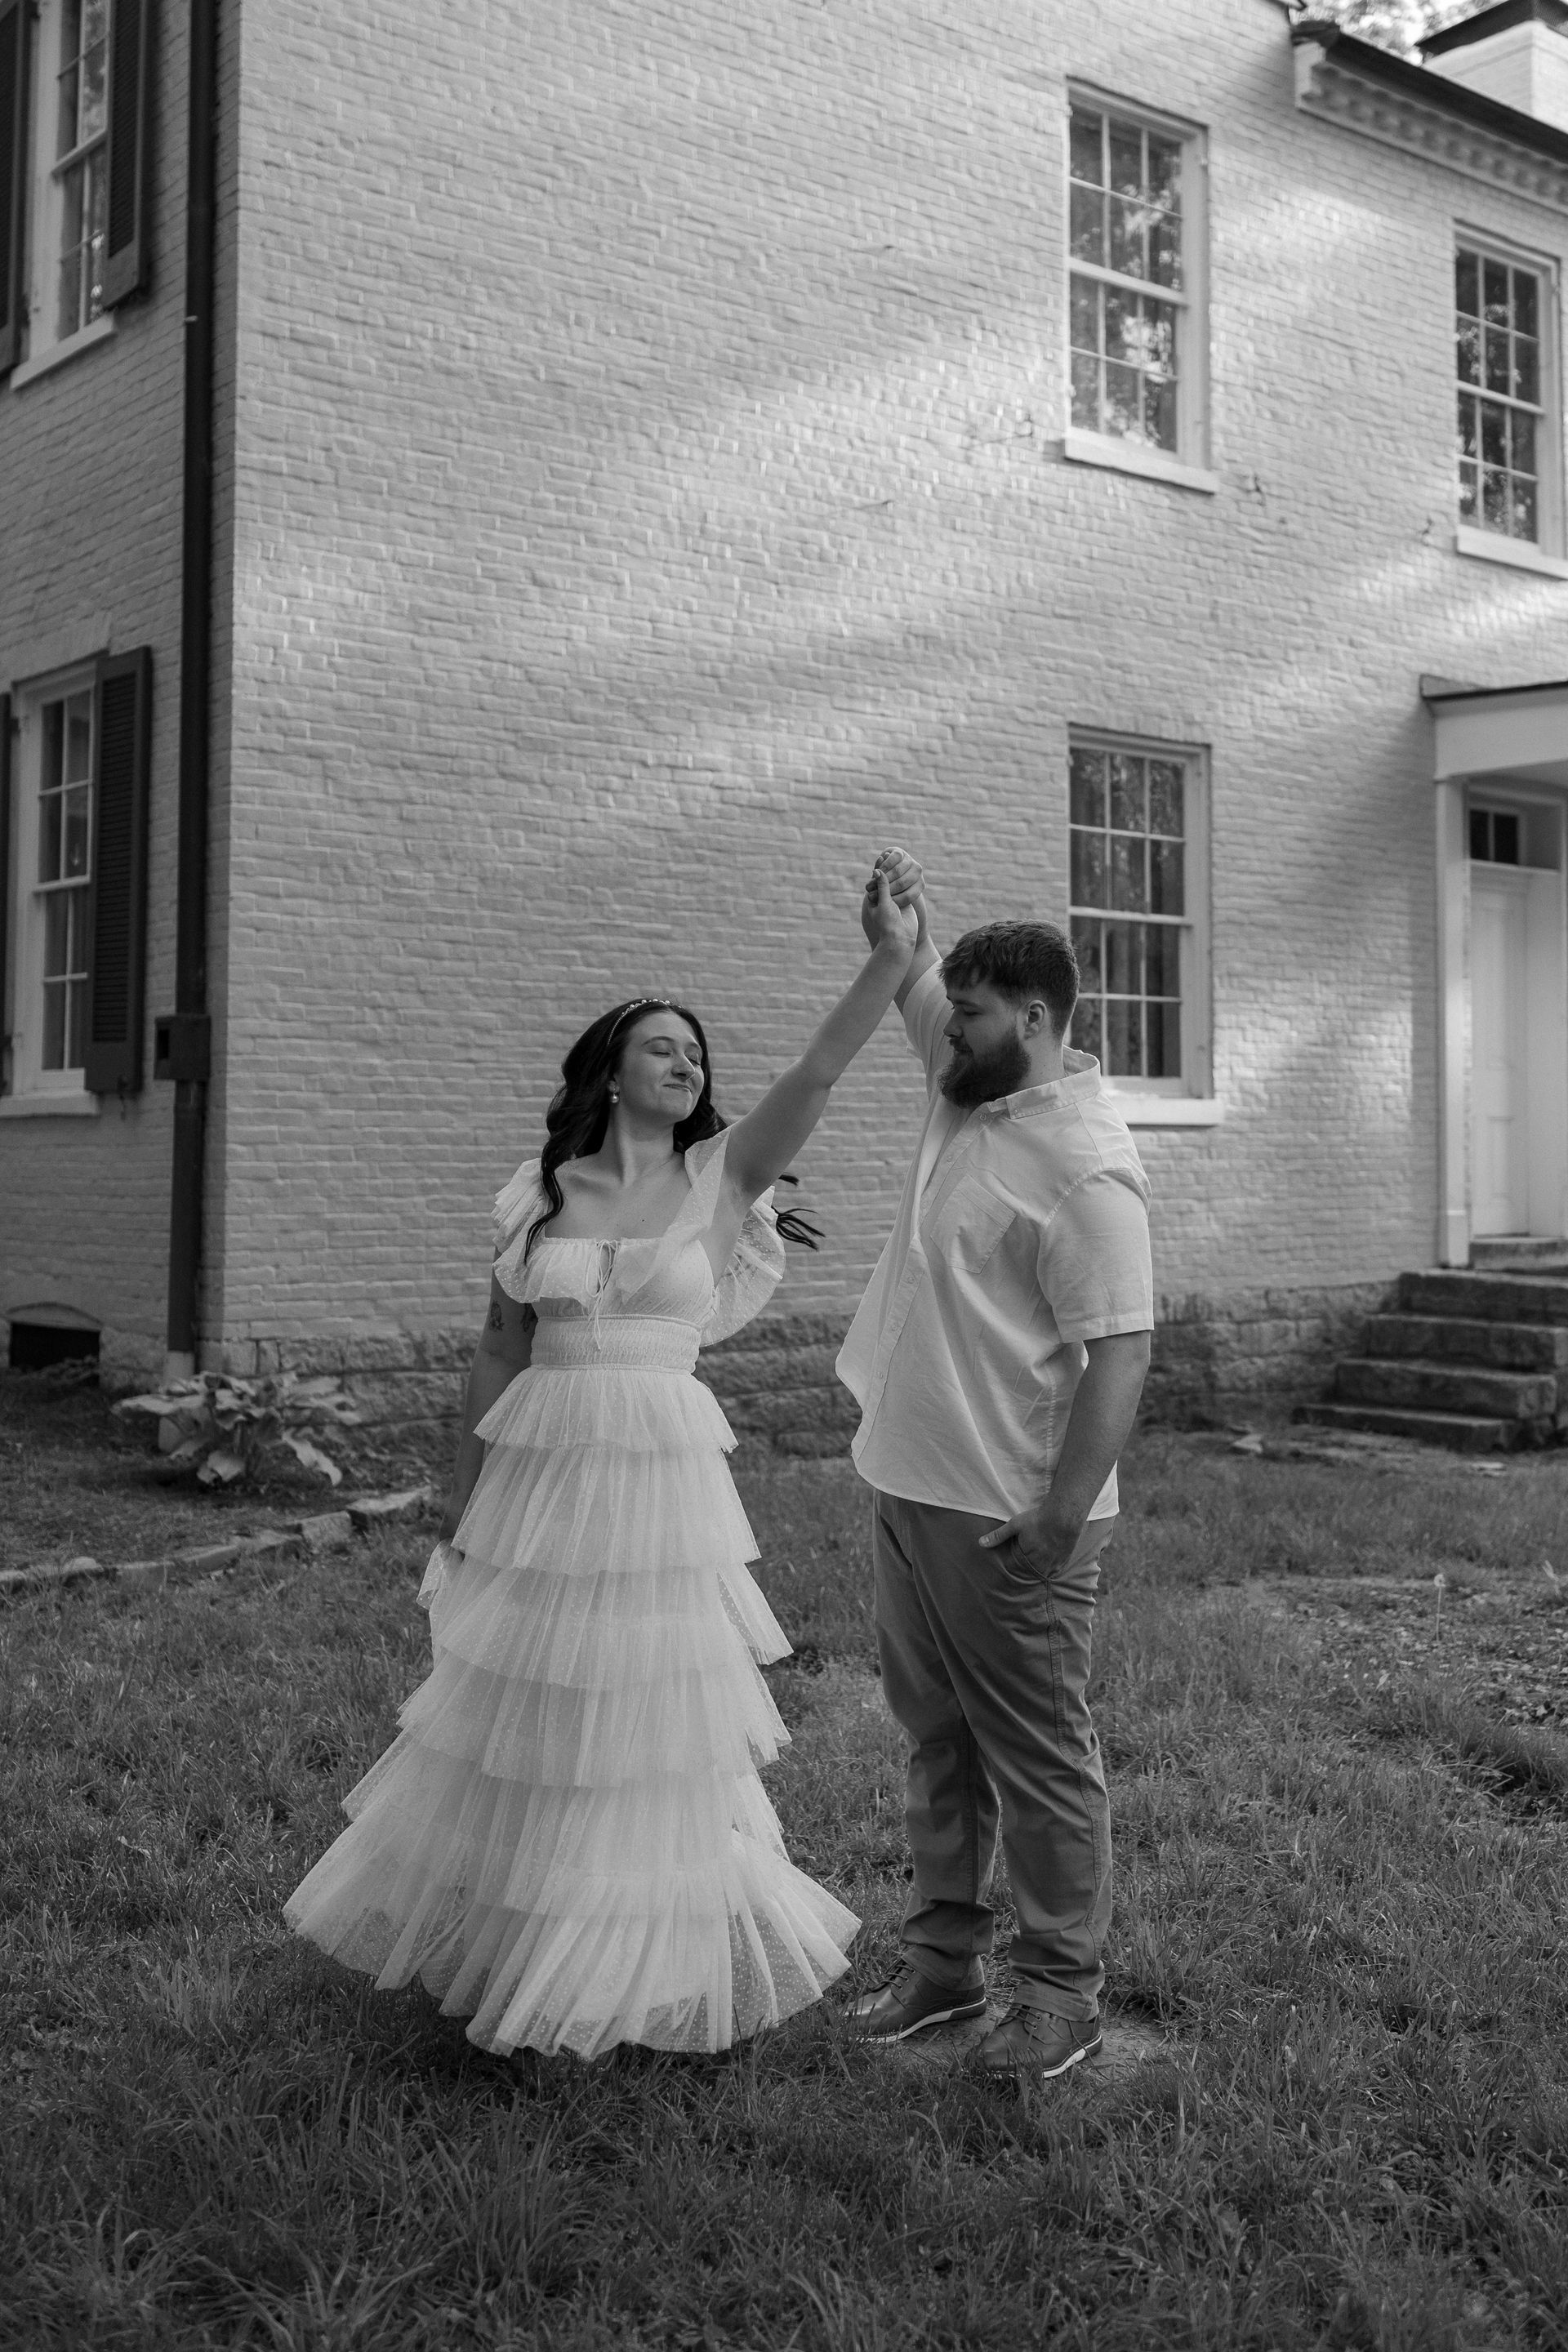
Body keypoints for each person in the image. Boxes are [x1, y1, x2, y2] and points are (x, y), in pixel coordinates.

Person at [285, 869, 917, 2060]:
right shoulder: (542, 1196)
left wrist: (889, 961)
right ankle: (522, 1939)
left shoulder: (722, 1176)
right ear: (610, 1070)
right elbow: (495, 1347)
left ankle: (633, 1960)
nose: (684, 1064)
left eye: (695, 1053)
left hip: (660, 1477)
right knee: (532, 1705)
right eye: (660, 1048)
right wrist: (461, 1502)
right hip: (545, 1466)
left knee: (641, 1709)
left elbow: (818, 1075)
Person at [840, 849, 1153, 2082]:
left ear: (1034, 1019)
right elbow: (924, 1000)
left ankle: (1061, 1998)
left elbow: (1121, 1356)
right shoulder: (978, 1090)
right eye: (951, 1010)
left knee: (1037, 1757)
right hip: (912, 1485)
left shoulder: (1086, 1170)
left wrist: (1062, 1515)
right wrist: (904, 941)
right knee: (934, 1741)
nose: (947, 1031)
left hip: (1010, 1512)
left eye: (969, 1014)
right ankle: (942, 1966)